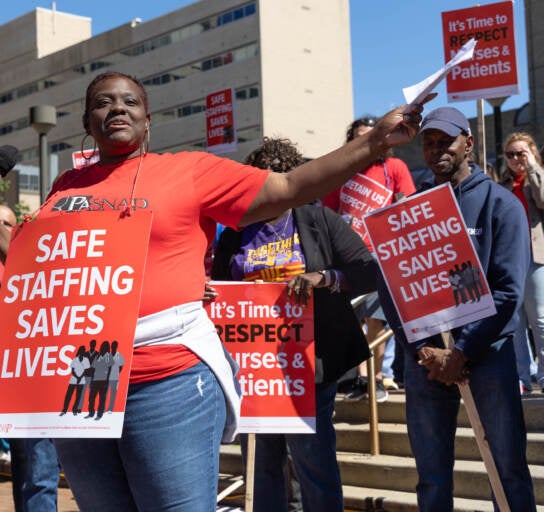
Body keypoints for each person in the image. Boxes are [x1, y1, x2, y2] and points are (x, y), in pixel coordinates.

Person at [0, 71, 425, 510]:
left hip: (167, 381)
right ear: (87, 123)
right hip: (82, 383)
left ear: (148, 120)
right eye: (102, 103)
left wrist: (373, 142)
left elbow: (288, 186)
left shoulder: (188, 171)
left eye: (130, 102)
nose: (117, 109)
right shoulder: (64, 188)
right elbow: (43, 275)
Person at [378, 107, 536, 510]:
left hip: (487, 355)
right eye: (428, 143)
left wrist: (462, 351)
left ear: (468, 142)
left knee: (508, 470)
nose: (435, 151)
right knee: (431, 480)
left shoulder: (501, 205)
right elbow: (393, 287)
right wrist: (422, 351)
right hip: (427, 359)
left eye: (445, 141)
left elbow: (508, 291)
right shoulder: (410, 210)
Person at [211, 136, 375, 511]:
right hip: (253, 366)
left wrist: (325, 278)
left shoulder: (319, 221)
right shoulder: (236, 232)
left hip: (310, 362)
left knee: (311, 457)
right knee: (261, 461)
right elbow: (220, 287)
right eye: (257, 182)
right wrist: (210, 294)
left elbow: (368, 272)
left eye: (274, 180)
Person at [0, 203, 60, 512]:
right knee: (14, 457)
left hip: (32, 372)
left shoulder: (40, 263)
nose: (4, 230)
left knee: (35, 461)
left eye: (9, 225)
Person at [323, 116, 417, 401]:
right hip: (346, 256)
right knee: (353, 320)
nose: (364, 141)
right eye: (357, 137)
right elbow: (328, 212)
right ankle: (362, 380)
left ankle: (377, 377)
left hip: (381, 255)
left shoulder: (394, 167)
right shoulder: (340, 171)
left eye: (369, 135)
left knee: (377, 319)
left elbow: (407, 203)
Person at [499, 132, 544, 394]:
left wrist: (534, 168)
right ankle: (522, 377)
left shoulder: (537, 176)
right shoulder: (502, 184)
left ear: (532, 153)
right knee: (515, 322)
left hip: (536, 256)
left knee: (540, 320)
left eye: (521, 153)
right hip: (511, 259)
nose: (516, 159)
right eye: (511, 154)